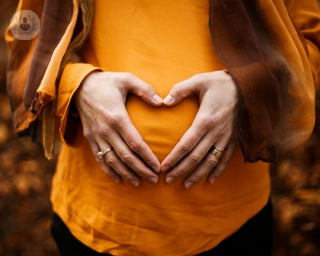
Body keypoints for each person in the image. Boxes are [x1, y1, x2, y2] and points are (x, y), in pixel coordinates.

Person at [5, 0, 320, 255]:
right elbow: (24, 29)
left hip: (231, 225)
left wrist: (246, 89)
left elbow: (312, 42)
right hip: (95, 224)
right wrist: (76, 86)